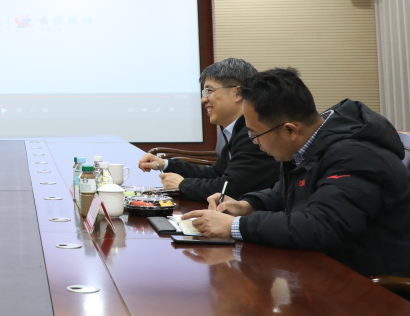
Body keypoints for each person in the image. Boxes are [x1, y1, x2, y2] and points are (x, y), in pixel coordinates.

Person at [185, 68, 410, 277]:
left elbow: (320, 227)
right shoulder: (308, 145)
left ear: (290, 130)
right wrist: (246, 205)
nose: (255, 143)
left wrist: (235, 226)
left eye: (255, 135)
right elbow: (282, 193)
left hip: (369, 287)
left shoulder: (356, 156)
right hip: (324, 272)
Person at [138, 58, 279, 201]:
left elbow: (230, 189)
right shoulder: (236, 129)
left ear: (238, 93)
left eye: (209, 91)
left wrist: (182, 185)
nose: (203, 100)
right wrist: (166, 164)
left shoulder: (254, 132)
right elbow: (215, 174)